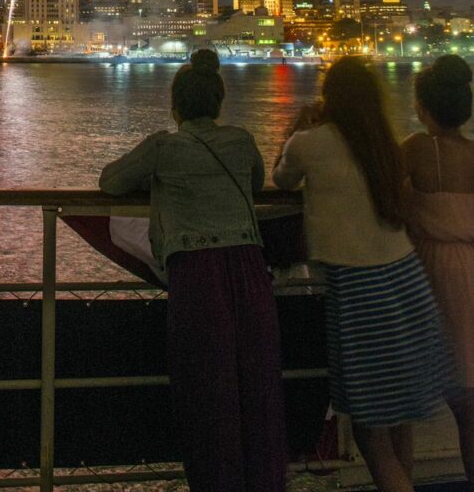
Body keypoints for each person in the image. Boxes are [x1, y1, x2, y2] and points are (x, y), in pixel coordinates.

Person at [99, 48, 287, 492]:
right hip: (248, 267)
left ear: (175, 105)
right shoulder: (241, 140)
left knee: (208, 389)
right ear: (219, 103)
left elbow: (110, 181)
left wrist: (157, 178)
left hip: (197, 273)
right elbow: (256, 182)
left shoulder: (164, 147)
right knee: (256, 387)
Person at [272, 56, 450, 492]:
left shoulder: (310, 142)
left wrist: (298, 127)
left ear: (328, 98)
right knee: (399, 418)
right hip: (406, 279)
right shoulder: (385, 143)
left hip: (357, 290)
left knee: (370, 430)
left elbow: (280, 179)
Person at [402, 54, 474, 485]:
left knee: (415, 394)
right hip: (470, 266)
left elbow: (382, 194)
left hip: (433, 272)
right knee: (469, 399)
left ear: (424, 108)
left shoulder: (416, 149)